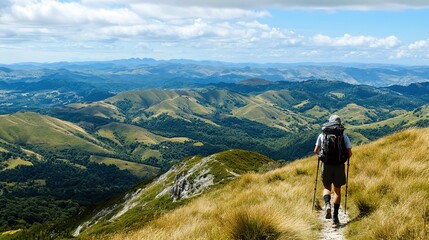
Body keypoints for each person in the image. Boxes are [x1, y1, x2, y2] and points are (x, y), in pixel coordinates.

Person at [313, 115, 352, 224]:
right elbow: (349, 153)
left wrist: (322, 156)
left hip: (326, 165)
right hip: (339, 165)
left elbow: (316, 150)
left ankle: (327, 205)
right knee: (337, 190)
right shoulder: (344, 137)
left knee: (326, 188)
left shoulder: (322, 135)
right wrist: (343, 158)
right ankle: (335, 217)